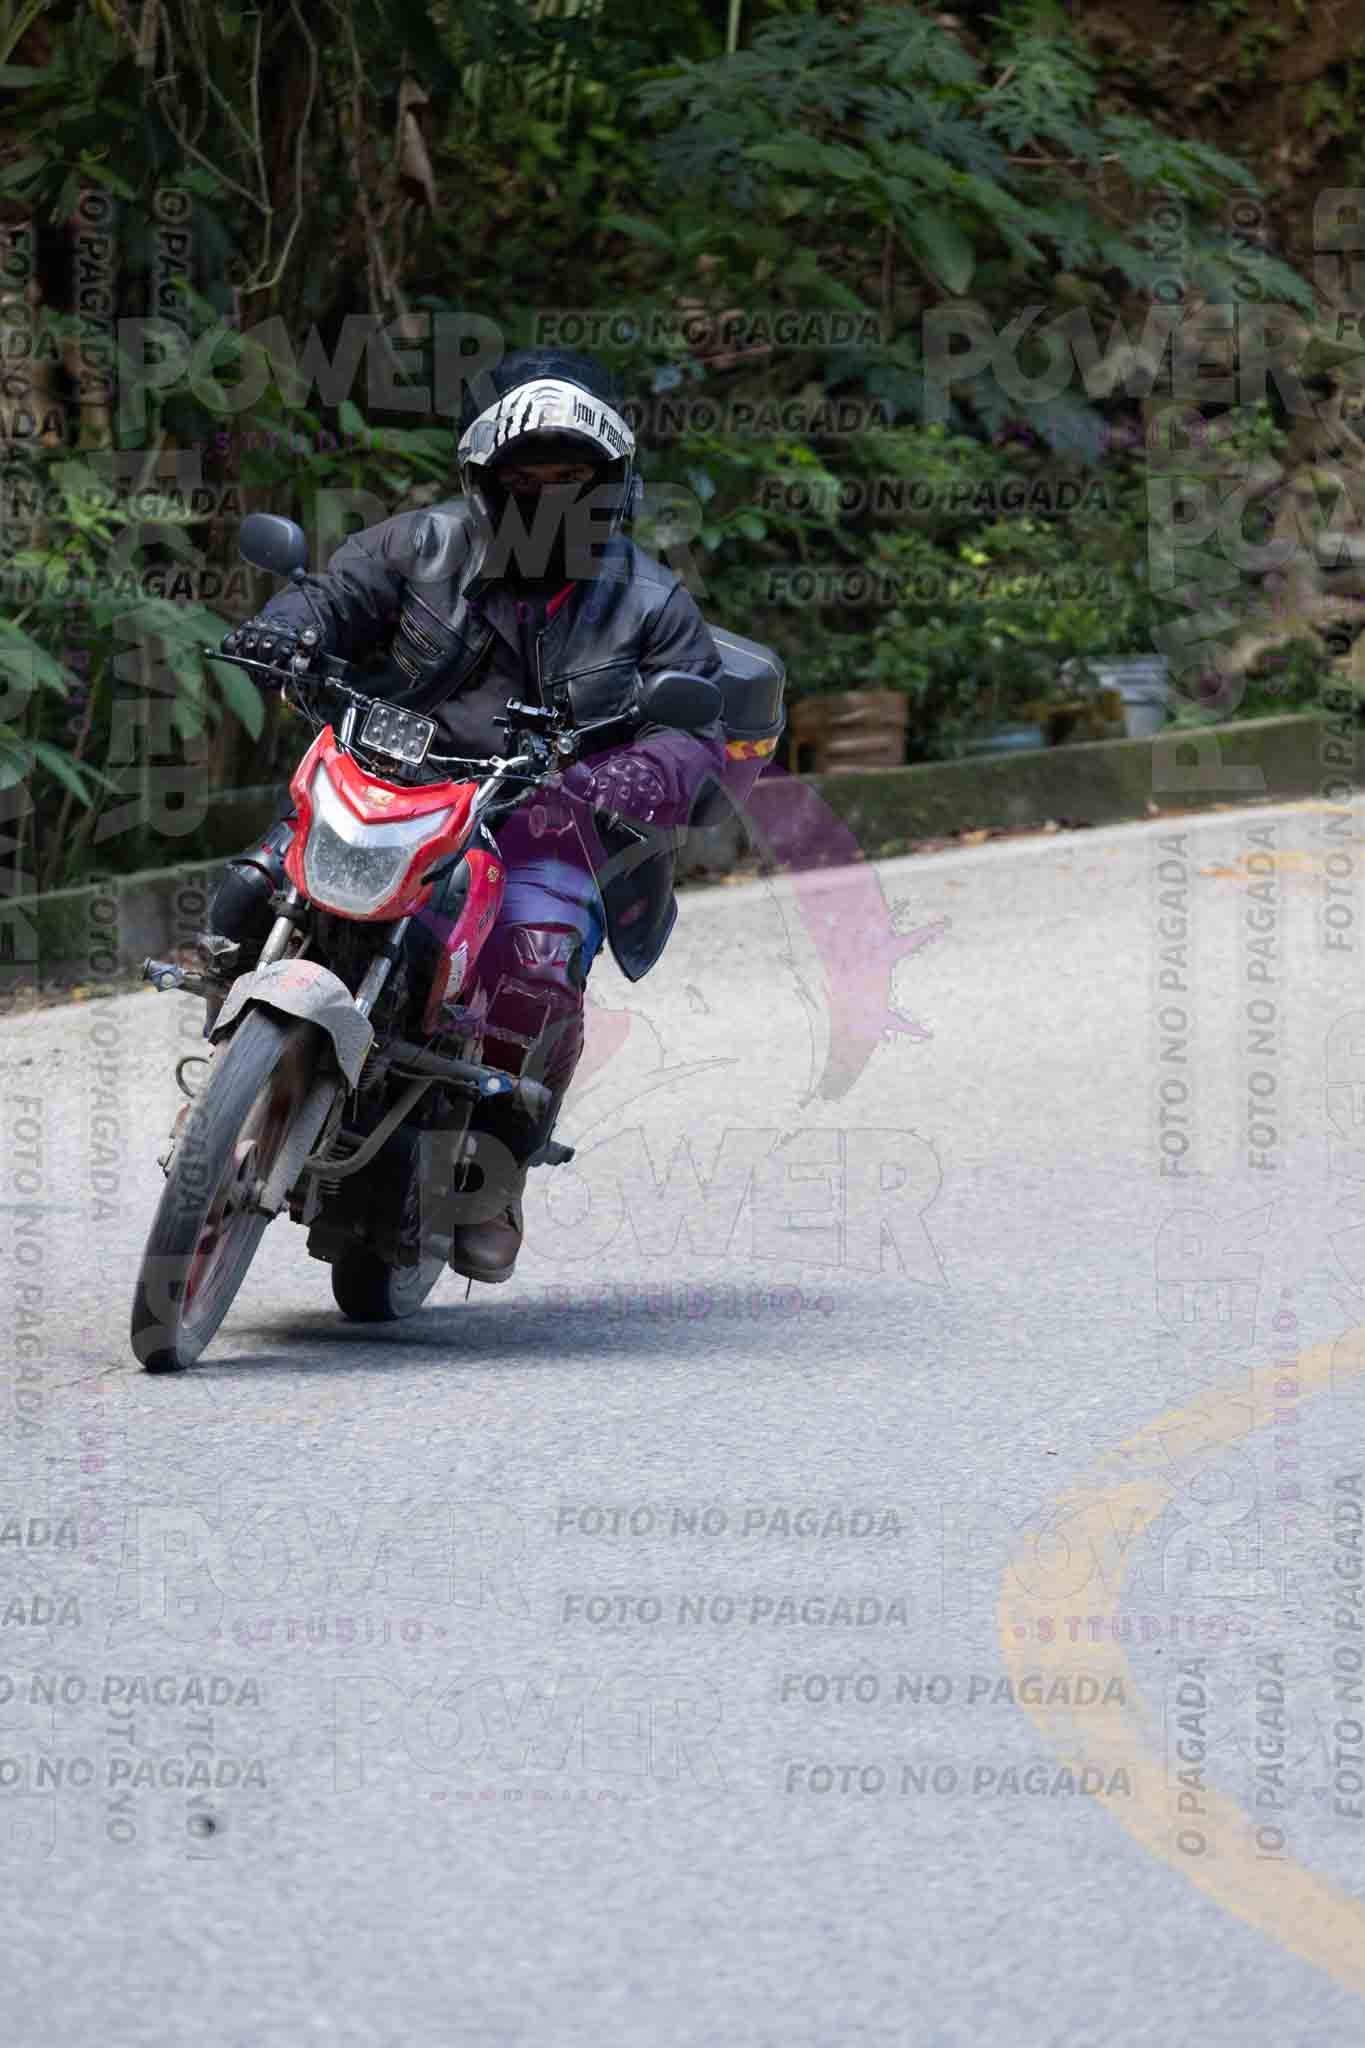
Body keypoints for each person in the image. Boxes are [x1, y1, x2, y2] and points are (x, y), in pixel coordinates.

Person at [204, 348, 729, 1285]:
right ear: (484, 479)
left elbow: (693, 729)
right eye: (527, 476)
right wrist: (288, 629)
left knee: (536, 962)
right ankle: (229, 1063)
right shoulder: (417, 547)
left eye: (570, 476)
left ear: (611, 482)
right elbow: (334, 598)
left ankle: (492, 1174)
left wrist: (626, 776)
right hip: (391, 783)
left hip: (540, 820)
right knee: (252, 885)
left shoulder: (651, 601)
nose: (548, 494)